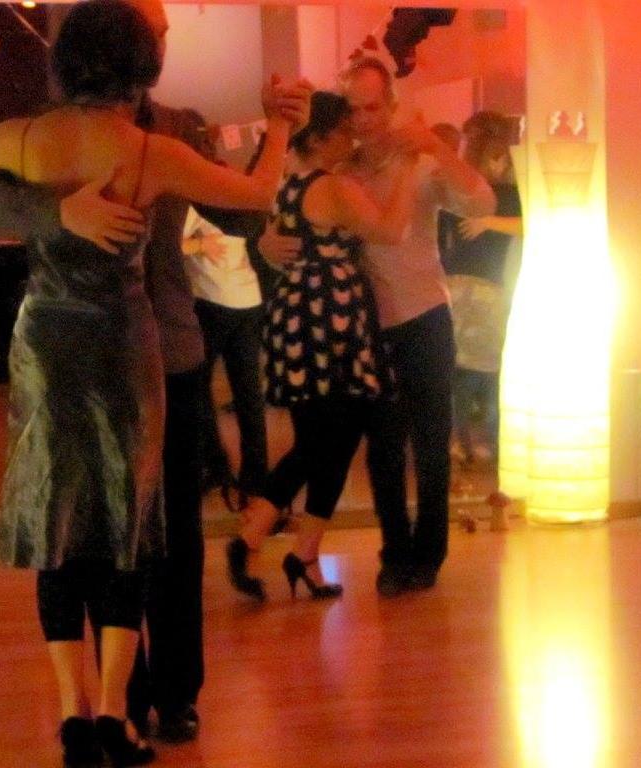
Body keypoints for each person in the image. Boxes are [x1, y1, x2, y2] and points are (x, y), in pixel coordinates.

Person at [0, 1, 302, 763]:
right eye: (156, 33)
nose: (166, 42)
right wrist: (55, 211)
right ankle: (115, 710)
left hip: (103, 346)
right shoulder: (139, 146)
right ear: (137, 55)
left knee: (115, 531)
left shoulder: (109, 131)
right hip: (124, 349)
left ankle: (136, 705)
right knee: (116, 529)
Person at [225, 91, 418, 601]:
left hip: (301, 317)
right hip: (328, 321)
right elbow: (391, 229)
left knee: (331, 438)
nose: (351, 139)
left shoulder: (289, 182)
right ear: (325, 136)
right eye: (344, 132)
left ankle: (303, 554)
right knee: (324, 440)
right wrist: (409, 167)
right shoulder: (330, 187)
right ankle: (252, 535)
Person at [339, 58, 496, 597]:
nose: (363, 119)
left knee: (430, 442)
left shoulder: (422, 162)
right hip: (369, 324)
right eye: (354, 109)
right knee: (383, 446)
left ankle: (429, 553)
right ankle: (394, 553)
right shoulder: (342, 171)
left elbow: (481, 200)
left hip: (426, 314)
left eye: (372, 107)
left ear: (390, 106)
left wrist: (435, 146)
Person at [179, 128, 269, 511]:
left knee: (199, 389)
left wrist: (199, 244)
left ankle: (216, 467)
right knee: (248, 394)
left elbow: (172, 243)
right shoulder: (233, 189)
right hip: (247, 299)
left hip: (215, 302)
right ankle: (254, 478)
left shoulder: (191, 195)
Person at [439, 110, 523, 466]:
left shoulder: (462, 191)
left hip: (460, 284)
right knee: (487, 371)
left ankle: (460, 441)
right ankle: (486, 442)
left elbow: (441, 239)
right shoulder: (507, 192)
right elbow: (529, 222)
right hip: (487, 285)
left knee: (463, 371)